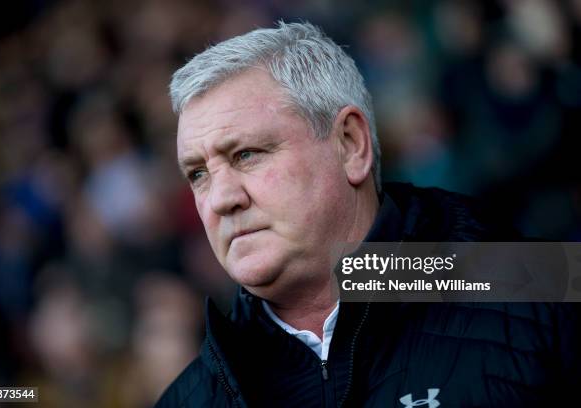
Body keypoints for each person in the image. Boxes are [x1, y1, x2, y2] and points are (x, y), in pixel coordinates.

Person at [155, 22, 580, 407]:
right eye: (198, 174)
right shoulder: (186, 402)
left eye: (246, 154)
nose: (219, 199)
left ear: (350, 144)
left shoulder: (547, 290)